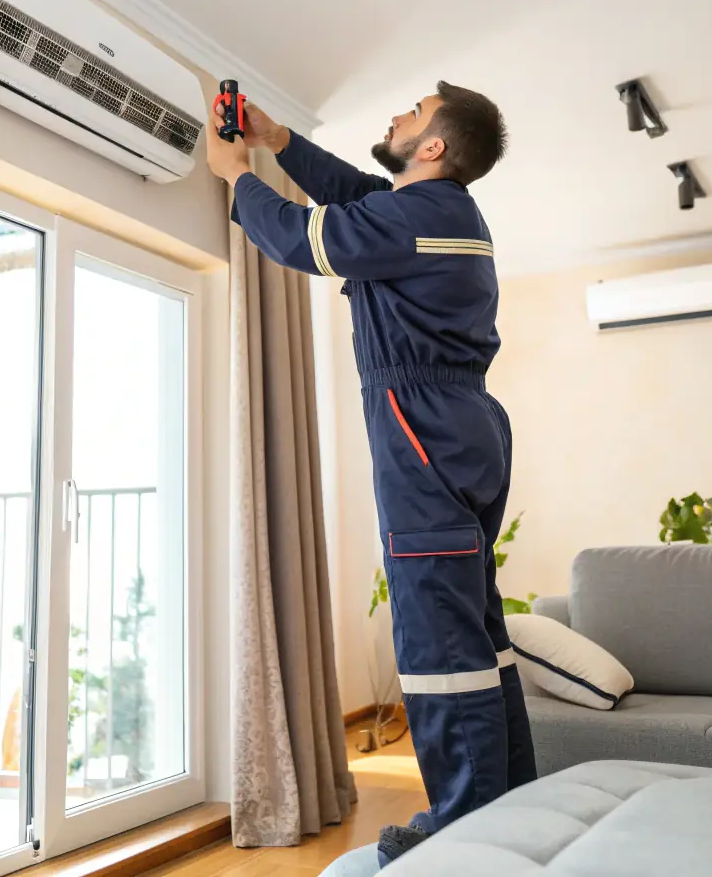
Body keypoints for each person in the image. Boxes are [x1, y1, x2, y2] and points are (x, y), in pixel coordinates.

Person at [205, 84, 537, 867]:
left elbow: (298, 239)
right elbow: (356, 200)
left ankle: (463, 828)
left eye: (411, 114)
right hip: (459, 427)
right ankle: (504, 804)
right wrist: (281, 141)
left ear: (432, 149)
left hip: (424, 429)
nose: (394, 117)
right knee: (474, 632)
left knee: (436, 639)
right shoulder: (437, 215)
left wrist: (235, 173)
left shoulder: (424, 218)